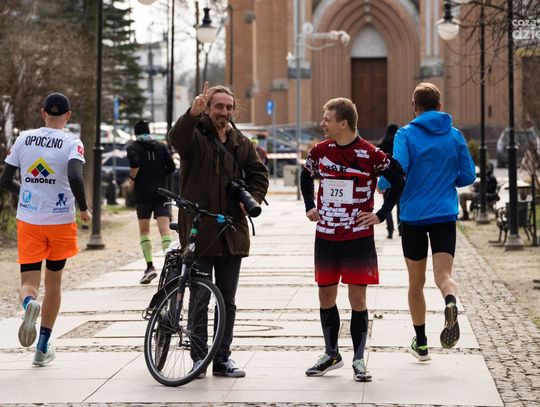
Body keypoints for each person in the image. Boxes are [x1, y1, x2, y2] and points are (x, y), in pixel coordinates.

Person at [168, 82, 269, 378]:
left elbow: (259, 173)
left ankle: (222, 358)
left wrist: (251, 197)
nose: (223, 112)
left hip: (231, 230)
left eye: (228, 107)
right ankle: (199, 358)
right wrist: (191, 113)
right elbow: (176, 138)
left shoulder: (241, 142)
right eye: (218, 107)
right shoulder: (195, 136)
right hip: (199, 228)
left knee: (227, 300)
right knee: (200, 297)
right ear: (208, 108)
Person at [301, 98, 404, 381]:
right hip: (326, 236)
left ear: (343, 123)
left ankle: (359, 360)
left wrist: (381, 214)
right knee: (326, 295)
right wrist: (309, 205)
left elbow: (399, 179)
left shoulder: (370, 154)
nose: (322, 123)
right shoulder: (319, 151)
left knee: (357, 297)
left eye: (327, 119)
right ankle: (331, 353)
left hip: (357, 237)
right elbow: (305, 175)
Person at [378, 82, 476, 362]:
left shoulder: (405, 134)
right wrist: (446, 179)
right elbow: (468, 175)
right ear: (440, 106)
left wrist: (382, 184)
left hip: (413, 217)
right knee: (443, 276)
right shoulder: (455, 135)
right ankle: (450, 300)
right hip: (444, 214)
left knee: (416, 281)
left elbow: (398, 169)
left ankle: (421, 344)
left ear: (414, 106)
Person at [0, 92, 91, 366]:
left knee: (28, 283)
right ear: (68, 116)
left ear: (43, 113)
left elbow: (5, 180)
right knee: (53, 284)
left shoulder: (24, 138)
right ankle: (42, 348)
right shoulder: (72, 142)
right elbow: (75, 176)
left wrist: (28, 193)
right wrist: (83, 209)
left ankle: (29, 305)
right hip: (60, 222)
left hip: (29, 220)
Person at [126, 120, 175, 284]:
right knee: (165, 231)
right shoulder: (161, 146)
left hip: (143, 194)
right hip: (161, 193)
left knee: (144, 231)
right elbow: (172, 167)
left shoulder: (133, 147)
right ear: (149, 131)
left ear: (135, 133)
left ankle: (149, 267)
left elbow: (135, 163)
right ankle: (171, 268)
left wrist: (132, 179)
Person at [378, 124, 399, 238]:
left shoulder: (382, 145)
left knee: (387, 205)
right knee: (400, 205)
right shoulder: (399, 144)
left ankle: (390, 230)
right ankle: (401, 229)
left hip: (386, 179)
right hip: (399, 179)